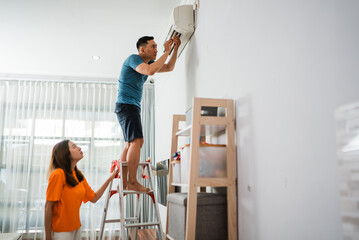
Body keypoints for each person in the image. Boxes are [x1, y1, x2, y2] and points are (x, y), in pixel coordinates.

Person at [115, 35, 181, 192]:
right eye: (153, 46)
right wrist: (167, 50)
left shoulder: (149, 63)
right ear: (142, 49)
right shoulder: (133, 59)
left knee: (131, 143)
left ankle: (125, 181)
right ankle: (132, 181)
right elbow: (150, 71)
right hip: (127, 105)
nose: (156, 50)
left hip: (129, 106)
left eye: (157, 47)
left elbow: (169, 67)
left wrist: (175, 48)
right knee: (137, 142)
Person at [44, 140, 118, 240]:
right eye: (74, 147)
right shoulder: (58, 174)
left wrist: (110, 178)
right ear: (65, 153)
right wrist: (48, 237)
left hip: (76, 229)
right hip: (61, 232)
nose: (79, 148)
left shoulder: (78, 176)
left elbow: (94, 198)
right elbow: (48, 207)